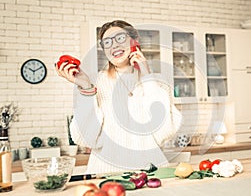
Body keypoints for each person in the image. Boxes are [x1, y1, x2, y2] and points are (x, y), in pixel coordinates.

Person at [55, 20, 182, 174]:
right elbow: (85, 138)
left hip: (151, 172)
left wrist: (147, 77)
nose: (114, 45)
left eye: (120, 38)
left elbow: (164, 132)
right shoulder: (94, 82)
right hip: (106, 172)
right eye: (107, 42)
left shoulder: (157, 82)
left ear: (134, 41)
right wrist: (86, 88)